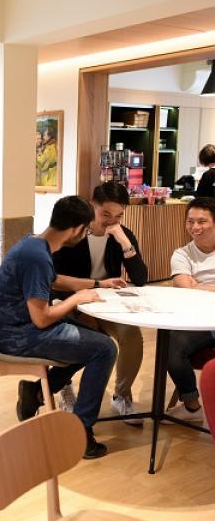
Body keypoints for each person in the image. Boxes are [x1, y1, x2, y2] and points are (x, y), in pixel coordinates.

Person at [0, 196, 117, 459]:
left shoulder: (33, 243)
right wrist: (76, 299)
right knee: (105, 349)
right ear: (77, 229)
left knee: (95, 340)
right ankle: (80, 432)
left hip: (14, 326)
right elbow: (42, 319)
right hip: (19, 335)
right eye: (86, 230)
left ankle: (37, 392)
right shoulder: (36, 257)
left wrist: (97, 284)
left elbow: (54, 280)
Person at [52, 182, 148, 424]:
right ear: (91, 206)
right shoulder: (73, 233)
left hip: (107, 305)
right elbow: (55, 280)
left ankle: (121, 395)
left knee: (132, 336)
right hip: (73, 302)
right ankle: (64, 386)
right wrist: (84, 300)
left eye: (118, 216)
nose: (111, 221)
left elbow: (140, 279)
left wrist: (125, 243)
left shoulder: (121, 235)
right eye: (105, 214)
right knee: (89, 339)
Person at [166, 197, 215, 422]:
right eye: (190, 221)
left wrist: (199, 286)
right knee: (170, 348)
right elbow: (186, 289)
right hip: (198, 322)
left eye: (202, 221)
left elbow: (192, 287)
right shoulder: (182, 254)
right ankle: (192, 406)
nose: (195, 227)